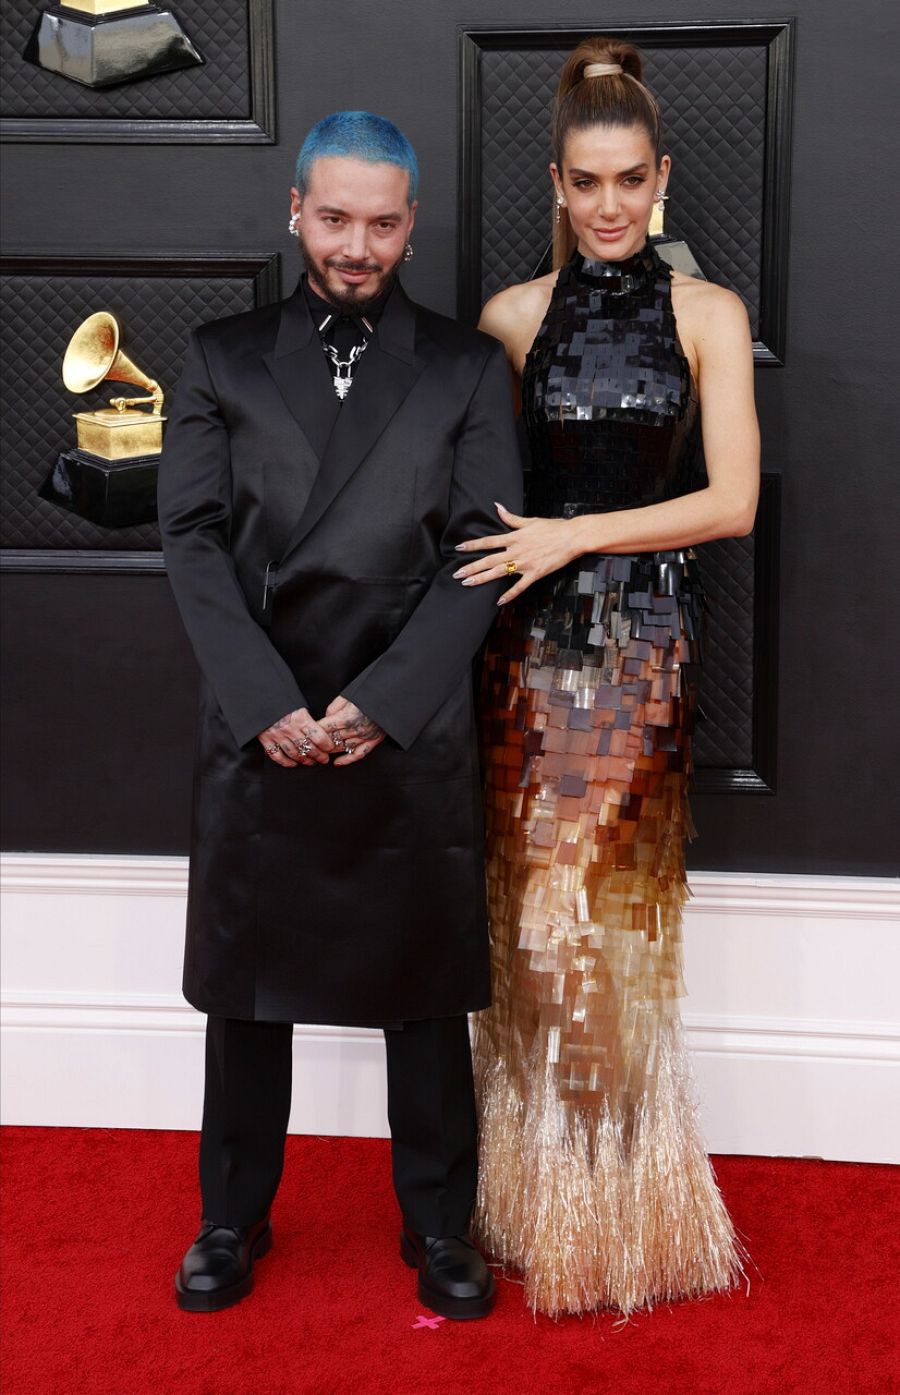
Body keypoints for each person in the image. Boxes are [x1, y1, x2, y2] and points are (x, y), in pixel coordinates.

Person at [157, 110, 523, 1319]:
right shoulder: (218, 355)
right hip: (263, 722)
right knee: (246, 994)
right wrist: (269, 702)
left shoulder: (469, 368)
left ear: (410, 223)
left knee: (422, 993)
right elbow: (193, 543)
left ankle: (439, 1227)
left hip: (404, 724)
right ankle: (229, 1219)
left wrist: (385, 699)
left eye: (381, 222)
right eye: (334, 218)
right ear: (296, 210)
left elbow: (483, 553)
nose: (356, 246)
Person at [452, 39, 760, 1316]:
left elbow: (732, 502)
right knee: (533, 928)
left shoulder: (710, 317)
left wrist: (579, 532)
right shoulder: (511, 319)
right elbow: (477, 507)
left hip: (641, 652)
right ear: (558, 182)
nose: (612, 205)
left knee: (613, 927)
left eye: (632, 179)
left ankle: (630, 1216)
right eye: (588, 182)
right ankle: (538, 1202)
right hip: (525, 657)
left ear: (664, 176)